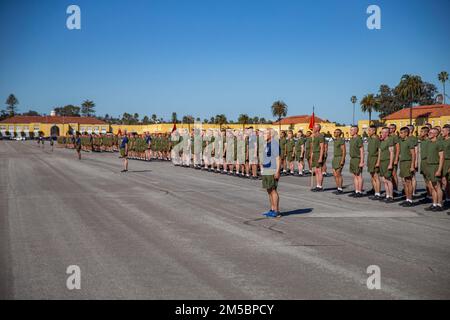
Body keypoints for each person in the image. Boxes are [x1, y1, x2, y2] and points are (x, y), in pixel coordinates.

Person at [261, 128, 281, 218]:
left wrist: (277, 171)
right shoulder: (266, 144)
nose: (263, 135)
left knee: (273, 190)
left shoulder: (274, 144)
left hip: (272, 170)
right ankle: (272, 209)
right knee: (269, 190)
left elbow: (278, 158)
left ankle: (276, 211)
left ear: (271, 135)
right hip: (266, 169)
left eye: (265, 133)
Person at [425, 128, 444, 211]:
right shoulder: (429, 143)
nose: (429, 133)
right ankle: (434, 203)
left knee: (437, 186)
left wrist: (439, 170)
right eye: (429, 132)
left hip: (435, 166)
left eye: (431, 133)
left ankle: (440, 204)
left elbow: (442, 157)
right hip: (428, 166)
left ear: (436, 134)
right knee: (432, 186)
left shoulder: (439, 143)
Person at [398, 127, 416, 207]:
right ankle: (407, 198)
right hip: (402, 163)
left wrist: (412, 165)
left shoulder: (410, 141)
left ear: (406, 133)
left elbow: (413, 154)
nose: (400, 134)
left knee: (409, 182)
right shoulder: (402, 141)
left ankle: (410, 200)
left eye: (402, 133)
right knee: (405, 182)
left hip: (408, 162)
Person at [378, 127, 395, 202]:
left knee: (388, 180)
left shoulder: (390, 141)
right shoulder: (382, 141)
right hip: (382, 162)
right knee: (384, 180)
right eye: (382, 132)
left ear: (387, 133)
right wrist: (378, 162)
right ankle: (387, 195)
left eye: (384, 132)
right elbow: (380, 153)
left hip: (387, 162)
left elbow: (392, 153)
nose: (382, 134)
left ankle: (391, 196)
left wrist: (391, 164)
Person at [349, 126, 364, 197]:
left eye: (352, 130)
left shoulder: (358, 139)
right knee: (354, 175)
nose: (350, 131)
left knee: (359, 175)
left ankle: (360, 191)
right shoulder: (351, 139)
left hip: (357, 159)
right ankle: (356, 190)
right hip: (352, 159)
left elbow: (362, 151)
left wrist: (361, 161)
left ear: (356, 131)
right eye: (350, 130)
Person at [418, 126, 432, 205]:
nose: (420, 133)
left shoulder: (428, 141)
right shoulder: (423, 141)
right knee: (425, 180)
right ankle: (428, 194)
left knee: (429, 180)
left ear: (426, 133)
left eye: (422, 132)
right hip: (423, 161)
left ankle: (430, 196)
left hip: (427, 161)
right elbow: (419, 138)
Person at [367, 125, 381, 199]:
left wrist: (378, 162)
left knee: (376, 176)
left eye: (369, 130)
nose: (368, 132)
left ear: (374, 131)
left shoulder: (376, 139)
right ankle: (375, 191)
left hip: (375, 158)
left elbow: (379, 151)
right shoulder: (370, 138)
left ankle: (378, 193)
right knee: (372, 176)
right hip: (370, 158)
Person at [311, 124, 325, 192]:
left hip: (318, 153)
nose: (313, 128)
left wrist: (320, 158)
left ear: (318, 128)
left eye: (314, 127)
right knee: (316, 171)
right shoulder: (314, 136)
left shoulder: (320, 136)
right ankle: (317, 185)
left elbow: (322, 148)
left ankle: (320, 186)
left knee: (319, 171)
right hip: (315, 154)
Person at [332, 129, 346, 194]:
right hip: (335, 158)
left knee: (338, 174)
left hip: (339, 158)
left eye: (337, 132)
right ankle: (338, 188)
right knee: (335, 174)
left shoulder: (341, 140)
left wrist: (342, 160)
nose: (335, 133)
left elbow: (344, 151)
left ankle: (340, 189)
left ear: (339, 133)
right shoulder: (335, 140)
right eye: (334, 132)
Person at [407, 125, 419, 197]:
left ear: (411, 130)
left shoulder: (413, 138)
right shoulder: (405, 138)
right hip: (406, 160)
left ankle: (413, 191)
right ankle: (408, 191)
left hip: (412, 159)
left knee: (413, 176)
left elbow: (416, 151)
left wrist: (416, 162)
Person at [388, 124, 401, 196]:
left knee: (394, 174)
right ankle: (391, 189)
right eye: (389, 128)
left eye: (391, 128)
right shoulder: (389, 137)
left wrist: (396, 159)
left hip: (394, 157)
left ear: (394, 129)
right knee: (390, 174)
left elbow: (398, 148)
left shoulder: (395, 137)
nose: (390, 129)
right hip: (389, 157)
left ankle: (395, 189)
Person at [441, 124, 450, 205]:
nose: (441, 132)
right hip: (442, 162)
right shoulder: (442, 140)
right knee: (444, 181)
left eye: (443, 131)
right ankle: (447, 198)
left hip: (448, 161)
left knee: (448, 182)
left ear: (448, 132)